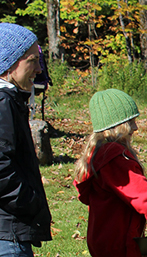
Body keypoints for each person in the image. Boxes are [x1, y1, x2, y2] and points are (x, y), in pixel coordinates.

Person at [74, 89, 147, 257]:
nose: (135, 127)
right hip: (118, 243)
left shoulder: (97, 153)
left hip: (102, 238)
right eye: (130, 122)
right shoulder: (113, 158)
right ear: (115, 124)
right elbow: (144, 198)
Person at [0, 23, 52, 257]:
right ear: (8, 64)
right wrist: (29, 203)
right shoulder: (3, 103)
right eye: (32, 60)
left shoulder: (10, 100)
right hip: (7, 234)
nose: (39, 69)